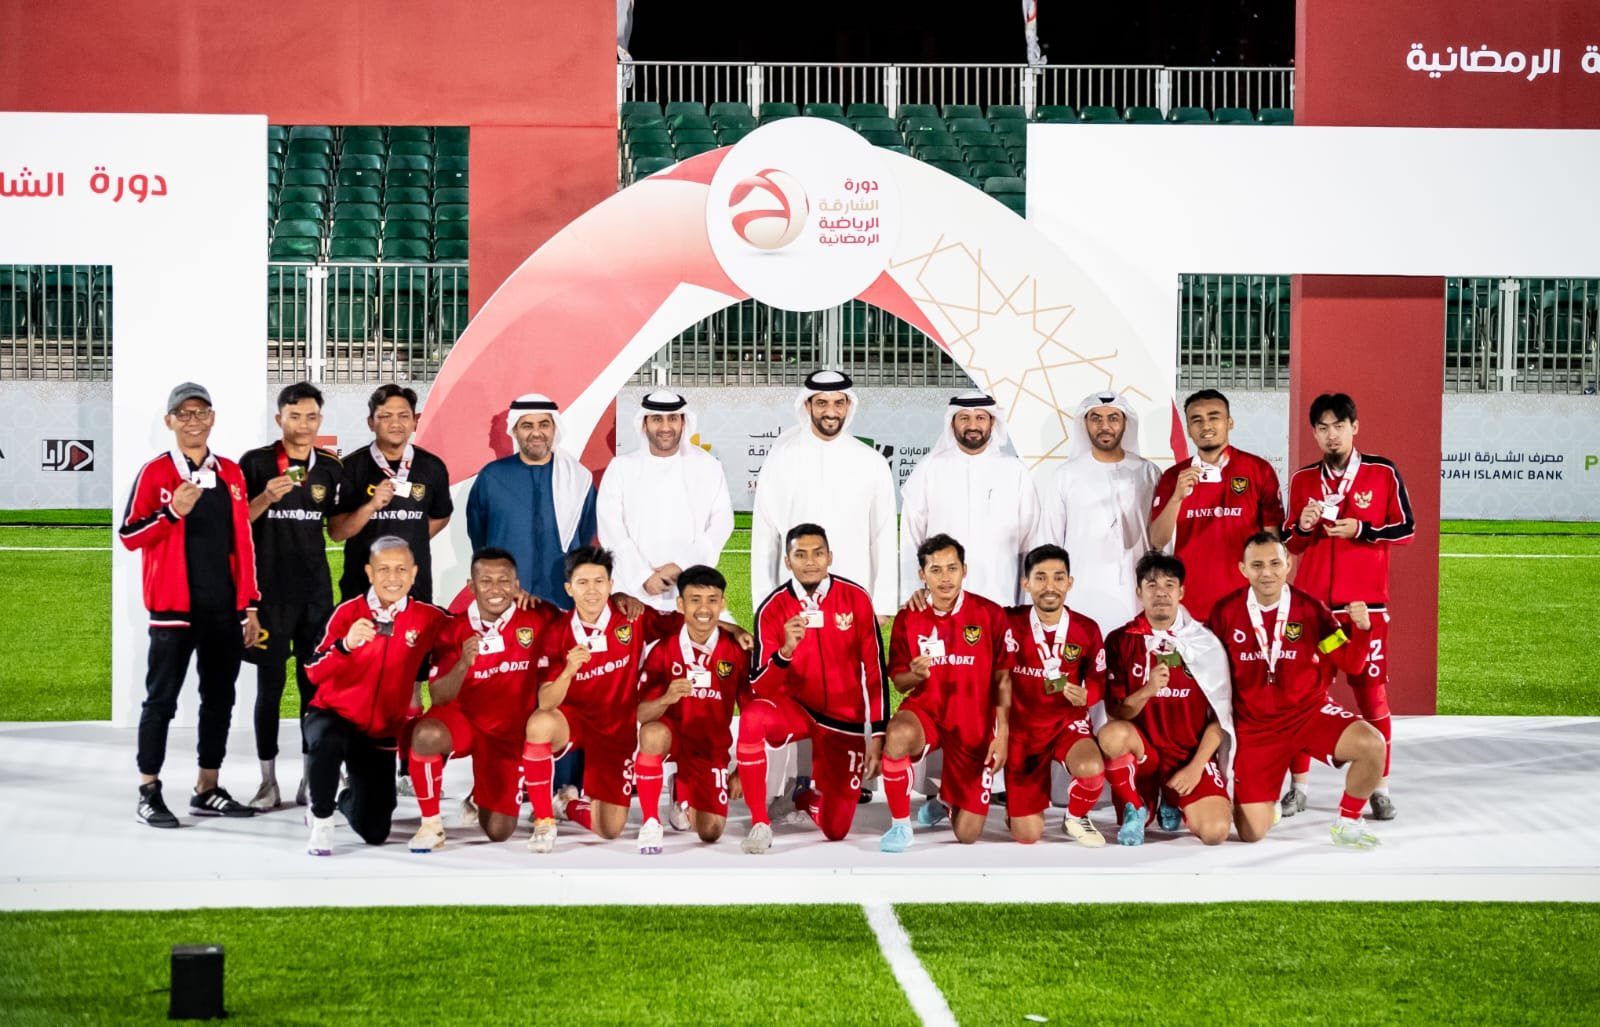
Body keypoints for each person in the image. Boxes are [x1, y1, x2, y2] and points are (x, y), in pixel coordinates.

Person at [119, 382, 261, 828]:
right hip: (172, 611)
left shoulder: (232, 474)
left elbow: (243, 542)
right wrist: (172, 513)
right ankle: (148, 790)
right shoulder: (156, 473)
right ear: (169, 422)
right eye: (184, 414)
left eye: (201, 412)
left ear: (213, 418)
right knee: (160, 702)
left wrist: (250, 606)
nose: (193, 420)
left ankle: (207, 786)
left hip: (223, 611)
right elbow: (128, 536)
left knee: (218, 700)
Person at [1282, 393, 1415, 822]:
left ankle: (1380, 786)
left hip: (1366, 609)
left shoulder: (1381, 472)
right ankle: (1298, 787)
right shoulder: (1304, 480)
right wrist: (1302, 527)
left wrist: (1364, 528)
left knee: (1373, 700)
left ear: (1354, 427)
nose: (1330, 434)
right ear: (1315, 433)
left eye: (1338, 425)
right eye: (1322, 427)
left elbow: (1407, 528)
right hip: (1313, 610)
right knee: (1301, 697)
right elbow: (1290, 543)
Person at [1207, 532, 1387, 849]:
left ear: (1288, 564)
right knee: (1251, 833)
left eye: (1275, 563)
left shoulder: (1311, 610)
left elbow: (1351, 663)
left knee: (1372, 744)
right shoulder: (1225, 613)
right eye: (1257, 565)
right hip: (1257, 729)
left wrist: (1362, 630)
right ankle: (1267, 797)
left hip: (1309, 713)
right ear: (1242, 569)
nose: (1267, 572)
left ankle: (1348, 821)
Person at [737, 523, 888, 853]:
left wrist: (877, 735)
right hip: (795, 710)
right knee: (752, 718)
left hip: (842, 720)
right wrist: (785, 653)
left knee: (836, 831)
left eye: (818, 553)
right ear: (787, 562)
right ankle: (760, 823)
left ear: (830, 557)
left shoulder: (856, 598)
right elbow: (760, 687)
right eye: (800, 554)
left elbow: (875, 671)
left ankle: (802, 797)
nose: (810, 561)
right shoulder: (773, 608)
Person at [520, 547, 682, 854]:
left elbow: (684, 623)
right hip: (574, 720)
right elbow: (545, 702)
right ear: (569, 588)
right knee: (539, 724)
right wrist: (568, 670)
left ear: (610, 584)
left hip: (615, 727)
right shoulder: (557, 631)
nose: (591, 590)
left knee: (609, 829)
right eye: (582, 583)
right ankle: (544, 821)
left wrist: (734, 629)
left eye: (599, 581)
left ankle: (566, 805)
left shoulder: (632, 616)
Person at [300, 537, 450, 855]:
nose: (392, 578)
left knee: (376, 831)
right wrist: (345, 646)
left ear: (413, 573)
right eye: (383, 569)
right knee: (325, 741)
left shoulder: (427, 617)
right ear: (369, 572)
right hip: (333, 715)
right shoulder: (347, 613)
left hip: (380, 733)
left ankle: (342, 797)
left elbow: (466, 628)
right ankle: (321, 820)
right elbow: (312, 670)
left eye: (400, 569)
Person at [406, 548, 556, 852]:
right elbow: (438, 695)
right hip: (465, 721)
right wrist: (462, 663)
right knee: (426, 734)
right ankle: (431, 824)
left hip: (507, 734)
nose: (495, 589)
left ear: (517, 585)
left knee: (499, 831)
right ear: (471, 587)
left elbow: (583, 616)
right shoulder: (453, 629)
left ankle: (480, 795)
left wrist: (622, 599)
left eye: (504, 581)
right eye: (485, 581)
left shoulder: (540, 616)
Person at [238, 381, 343, 810]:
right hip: (269, 597)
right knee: (269, 687)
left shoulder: (331, 469)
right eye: (294, 416)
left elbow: (336, 529)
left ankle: (309, 779)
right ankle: (267, 782)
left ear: (320, 420)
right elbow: (235, 522)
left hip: (316, 597)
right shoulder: (256, 463)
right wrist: (265, 496)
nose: (303, 424)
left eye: (311, 416)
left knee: (314, 689)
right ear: (279, 417)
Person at [879, 534, 1014, 852]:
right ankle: (900, 826)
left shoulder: (989, 614)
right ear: (921, 574)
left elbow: (1003, 678)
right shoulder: (908, 617)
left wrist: (1003, 731)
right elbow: (899, 682)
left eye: (952, 568)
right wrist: (916, 674)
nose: (945, 577)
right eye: (935, 569)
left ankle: (947, 798)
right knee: (897, 735)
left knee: (967, 835)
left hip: (975, 728)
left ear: (965, 570)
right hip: (928, 712)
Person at [1098, 551, 1235, 846]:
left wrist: (1196, 767)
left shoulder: (1205, 643)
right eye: (1151, 585)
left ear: (1181, 591)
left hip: (1187, 755)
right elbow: (1115, 713)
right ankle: (1137, 806)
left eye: (1169, 585)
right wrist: (1147, 690)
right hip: (1145, 755)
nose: (1160, 593)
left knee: (1215, 832)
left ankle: (1172, 799)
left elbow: (1221, 720)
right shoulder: (1120, 640)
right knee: (1110, 736)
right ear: (1138, 592)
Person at [750, 370, 898, 619]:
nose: (831, 412)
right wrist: (765, 605)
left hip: (853, 599)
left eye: (838, 403)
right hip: (792, 603)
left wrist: (881, 606)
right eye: (822, 403)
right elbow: (765, 537)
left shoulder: (871, 462)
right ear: (807, 405)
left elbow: (882, 535)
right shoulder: (782, 459)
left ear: (848, 405)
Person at [635, 565, 754, 849]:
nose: (704, 608)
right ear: (680, 604)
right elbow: (641, 715)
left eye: (712, 600)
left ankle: (682, 785)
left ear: (723, 603)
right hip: (673, 737)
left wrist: (743, 769)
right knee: (652, 734)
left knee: (711, 832)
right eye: (695, 599)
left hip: (710, 747)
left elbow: (752, 713)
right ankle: (651, 821)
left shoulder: (737, 650)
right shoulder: (663, 650)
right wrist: (665, 699)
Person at [1001, 544, 1111, 846]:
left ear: (1070, 583)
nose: (1050, 587)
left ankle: (1075, 818)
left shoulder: (1087, 629)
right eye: (1040, 578)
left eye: (1058, 578)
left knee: (1090, 769)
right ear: (1026, 584)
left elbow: (1100, 680)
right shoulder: (1007, 622)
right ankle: (1018, 807)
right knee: (1027, 835)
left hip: (1066, 724)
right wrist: (922, 596)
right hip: (1022, 733)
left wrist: (1087, 696)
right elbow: (966, 610)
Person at [1149, 389, 1285, 622]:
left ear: (1229, 422)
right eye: (1196, 420)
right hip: (1190, 608)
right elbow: (1157, 541)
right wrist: (1177, 497)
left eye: (1214, 417)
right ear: (1189, 429)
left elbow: (1273, 543)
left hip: (1246, 606)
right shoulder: (1173, 477)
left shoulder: (1258, 470)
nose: (1206, 425)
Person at [899, 392, 1045, 607]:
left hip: (1000, 592)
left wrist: (1028, 600)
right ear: (953, 423)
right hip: (941, 597)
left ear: (992, 421)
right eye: (964, 418)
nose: (973, 425)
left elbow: (1031, 541)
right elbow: (912, 538)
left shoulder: (1015, 471)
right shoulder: (929, 469)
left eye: (980, 418)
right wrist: (913, 590)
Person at [597, 391, 733, 613]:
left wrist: (680, 566)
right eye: (657, 419)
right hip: (634, 595)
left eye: (673, 418)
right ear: (644, 423)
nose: (665, 427)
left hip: (691, 590)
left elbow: (721, 525)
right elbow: (611, 529)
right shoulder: (621, 468)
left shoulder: (707, 466)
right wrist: (643, 576)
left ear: (683, 422)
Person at [466, 392, 598, 609]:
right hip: (509, 598)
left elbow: (585, 533)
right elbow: (478, 535)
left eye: (544, 424)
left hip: (561, 596)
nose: (536, 433)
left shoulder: (578, 478)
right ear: (515, 430)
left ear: (554, 428)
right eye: (527, 425)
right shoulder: (492, 476)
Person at [1046, 391, 1162, 632]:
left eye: (1113, 418)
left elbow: (1162, 539)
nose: (1105, 426)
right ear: (1085, 424)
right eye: (1096, 418)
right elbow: (1051, 541)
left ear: (1125, 423)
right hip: (1081, 591)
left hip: (1136, 592)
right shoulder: (1065, 475)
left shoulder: (1149, 472)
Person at [330, 383, 453, 603]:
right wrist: (370, 507)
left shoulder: (432, 467)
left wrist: (410, 537)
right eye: (385, 416)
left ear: (415, 421)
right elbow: (337, 532)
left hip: (415, 587)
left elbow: (441, 514)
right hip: (361, 587)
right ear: (371, 423)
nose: (395, 423)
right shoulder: (350, 467)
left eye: (403, 416)